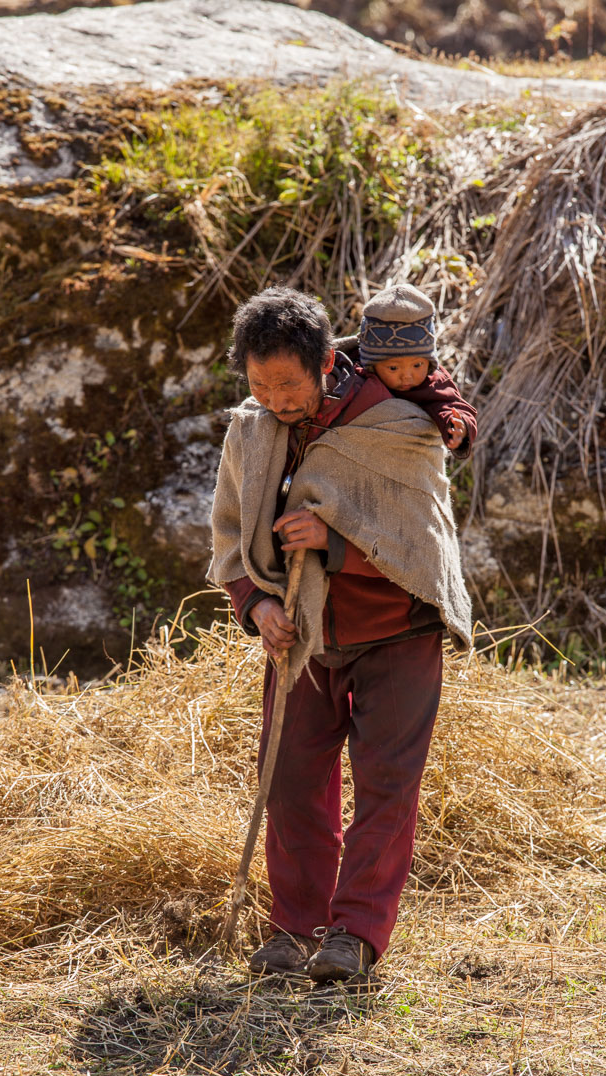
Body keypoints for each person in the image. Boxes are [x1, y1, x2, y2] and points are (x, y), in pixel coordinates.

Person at [208, 285, 472, 983]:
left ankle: (354, 935)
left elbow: (420, 543)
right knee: (291, 783)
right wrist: (256, 606)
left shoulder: (397, 423)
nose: (275, 398)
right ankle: (293, 931)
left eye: (288, 383)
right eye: (259, 384)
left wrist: (334, 543)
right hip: (302, 639)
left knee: (385, 785)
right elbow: (230, 534)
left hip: (398, 632)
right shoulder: (253, 429)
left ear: (326, 362)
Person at [337, 283, 477, 459]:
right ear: (370, 364)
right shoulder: (349, 372)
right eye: (394, 368)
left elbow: (452, 406)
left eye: (417, 365)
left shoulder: (433, 383)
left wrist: (458, 429)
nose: (407, 375)